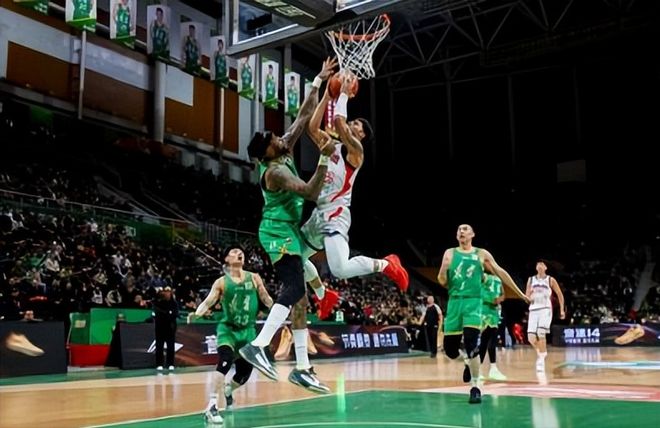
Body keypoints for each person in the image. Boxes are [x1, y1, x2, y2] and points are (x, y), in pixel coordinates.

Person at [238, 58, 337, 387]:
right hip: (276, 231)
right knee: (294, 287)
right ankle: (258, 345)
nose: (279, 137)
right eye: (272, 139)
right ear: (267, 153)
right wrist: (324, 156)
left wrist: (318, 81)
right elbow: (309, 192)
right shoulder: (276, 172)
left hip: (289, 230)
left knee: (301, 299)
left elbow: (304, 116)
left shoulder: (281, 148)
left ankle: (303, 367)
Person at [301, 70, 409, 292]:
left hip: (336, 213)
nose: (353, 123)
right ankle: (323, 295)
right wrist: (326, 96)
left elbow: (339, 122)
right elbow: (311, 129)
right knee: (294, 257)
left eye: (358, 124)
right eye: (355, 121)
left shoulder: (356, 152)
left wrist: (343, 93)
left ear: (362, 135)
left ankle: (386, 264)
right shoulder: (332, 145)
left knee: (340, 269)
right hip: (318, 212)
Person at [437, 224, 527, 404]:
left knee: (471, 344)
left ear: (472, 234)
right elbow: (442, 281)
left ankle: (475, 387)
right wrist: (443, 270)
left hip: (473, 303)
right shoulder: (449, 253)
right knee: (450, 350)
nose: (461, 231)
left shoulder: (481, 254)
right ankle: (467, 362)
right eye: (459, 229)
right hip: (454, 303)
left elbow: (501, 272)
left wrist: (521, 294)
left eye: (465, 229)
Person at [187, 246, 274, 425]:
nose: (239, 253)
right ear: (227, 259)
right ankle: (211, 406)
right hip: (228, 330)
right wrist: (197, 313)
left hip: (248, 331)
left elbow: (266, 298)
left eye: (241, 252)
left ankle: (228, 390)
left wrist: (275, 306)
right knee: (225, 361)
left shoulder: (254, 277)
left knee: (244, 374)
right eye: (234, 252)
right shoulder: (221, 282)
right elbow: (208, 302)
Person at [526, 259, 565, 372]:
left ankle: (541, 360)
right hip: (533, 310)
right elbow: (527, 296)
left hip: (545, 309)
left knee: (541, 333)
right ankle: (542, 353)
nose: (540, 265)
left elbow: (559, 294)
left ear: (546, 268)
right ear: (536, 267)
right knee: (531, 338)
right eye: (538, 264)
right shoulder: (531, 280)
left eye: (542, 264)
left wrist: (562, 309)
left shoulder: (550, 280)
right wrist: (528, 297)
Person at [479, 273, 507, 381]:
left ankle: (493, 369)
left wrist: (500, 299)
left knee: (491, 340)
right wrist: (490, 299)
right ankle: (479, 369)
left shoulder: (498, 279)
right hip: (483, 310)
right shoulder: (483, 275)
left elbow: (503, 293)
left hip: (494, 312)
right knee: (484, 341)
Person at [152, 286, 179, 371]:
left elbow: (175, 314)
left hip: (170, 328)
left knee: (170, 346)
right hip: (160, 327)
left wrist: (168, 315)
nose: (167, 293)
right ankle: (159, 364)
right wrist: (168, 314)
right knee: (159, 346)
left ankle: (170, 364)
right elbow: (157, 313)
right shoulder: (158, 303)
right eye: (165, 291)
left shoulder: (174, 303)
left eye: (168, 291)